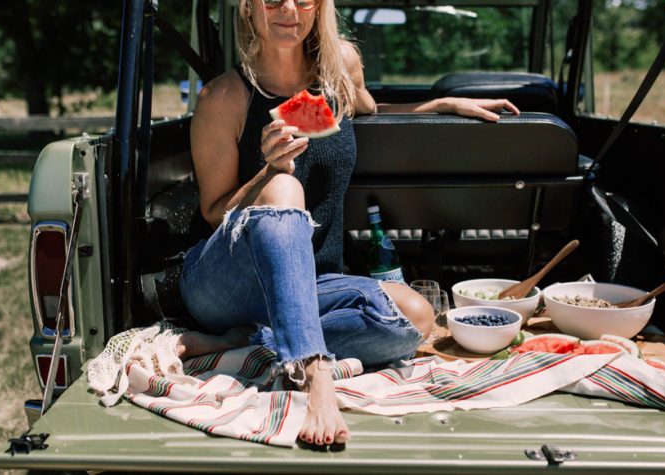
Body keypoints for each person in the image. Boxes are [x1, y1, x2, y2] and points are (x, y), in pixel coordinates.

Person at [177, 0, 520, 448]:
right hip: (223, 282)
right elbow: (214, 211)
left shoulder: (341, 65)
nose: (288, 10)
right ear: (248, 6)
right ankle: (317, 378)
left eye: (304, 0)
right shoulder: (224, 98)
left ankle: (245, 341)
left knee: (414, 316)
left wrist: (439, 104)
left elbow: (370, 112)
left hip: (310, 283)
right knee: (284, 188)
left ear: (320, 7)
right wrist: (267, 171)